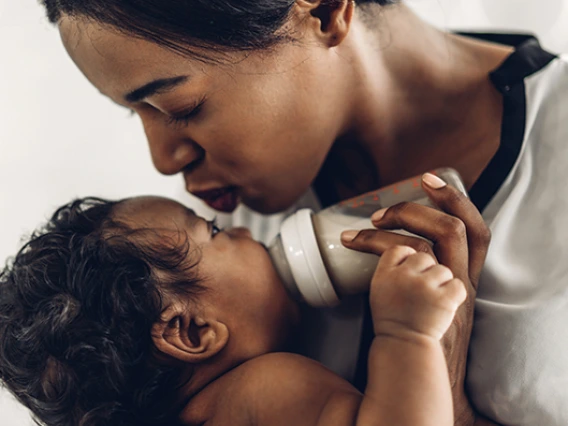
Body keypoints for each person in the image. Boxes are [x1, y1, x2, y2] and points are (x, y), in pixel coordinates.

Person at [35, 0, 568, 425]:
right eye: (136, 115)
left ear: (325, 10)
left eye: (180, 106)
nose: (163, 161)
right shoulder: (216, 257)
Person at [0, 183, 473, 426]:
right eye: (217, 232)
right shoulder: (262, 393)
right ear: (192, 332)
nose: (245, 230)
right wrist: (406, 333)